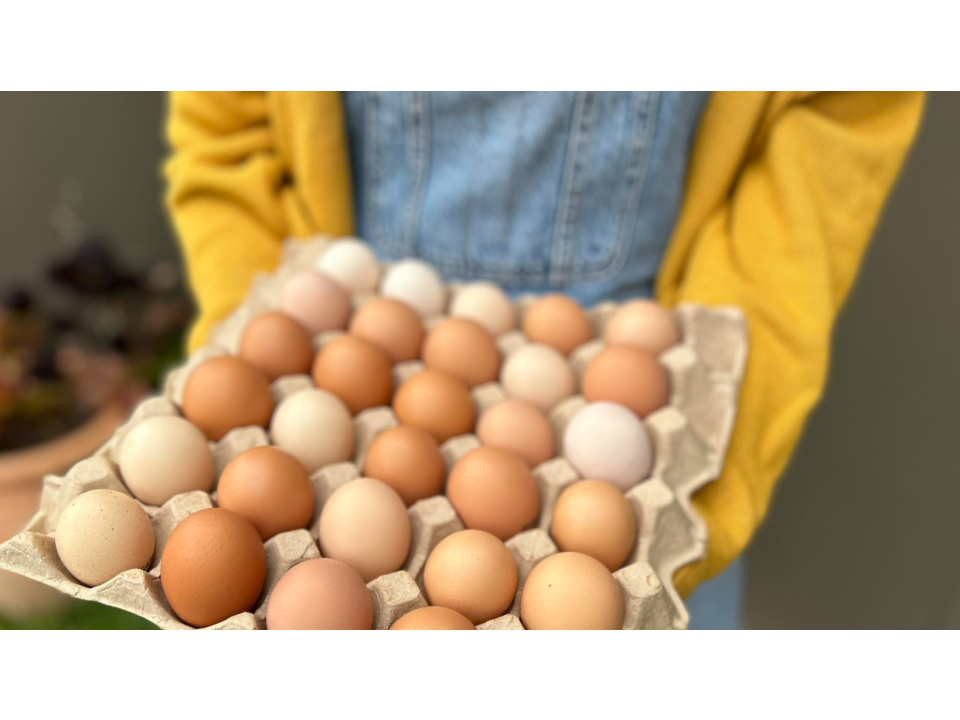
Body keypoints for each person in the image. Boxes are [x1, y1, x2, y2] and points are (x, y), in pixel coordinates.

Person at [165, 91, 924, 629]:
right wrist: (270, 346)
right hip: (363, 338)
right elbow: (229, 126)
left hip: (633, 377)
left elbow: (834, 124)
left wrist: (710, 452)